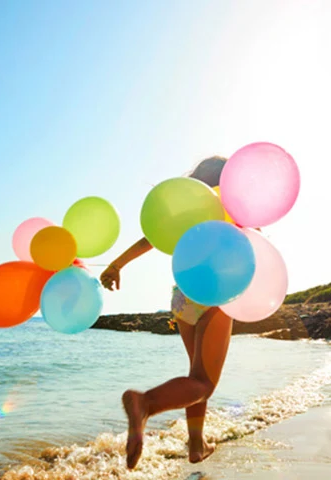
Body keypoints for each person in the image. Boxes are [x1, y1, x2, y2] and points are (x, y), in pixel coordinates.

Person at [98, 156, 242, 469]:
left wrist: (116, 265)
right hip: (216, 292)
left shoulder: (188, 208)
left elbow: (152, 237)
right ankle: (145, 403)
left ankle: (196, 444)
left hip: (182, 296)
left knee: (196, 375)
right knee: (204, 383)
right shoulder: (233, 208)